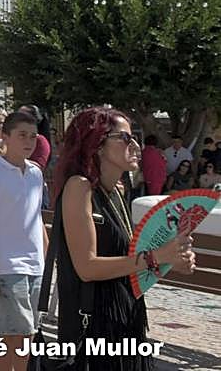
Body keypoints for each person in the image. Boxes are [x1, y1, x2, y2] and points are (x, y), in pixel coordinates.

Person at [54, 108, 195, 370]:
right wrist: (156, 256)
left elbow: (129, 263)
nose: (136, 145)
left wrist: (170, 260)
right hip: (94, 327)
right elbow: (86, 267)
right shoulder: (79, 187)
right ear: (96, 143)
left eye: (134, 137)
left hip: (126, 317)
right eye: (124, 138)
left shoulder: (117, 191)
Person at [0, 110, 46, 371]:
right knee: (20, 334)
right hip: (8, 265)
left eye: (33, 136)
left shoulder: (36, 173)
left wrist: (48, 262)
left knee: (22, 333)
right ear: (5, 136)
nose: (28, 141)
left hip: (35, 265)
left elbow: (36, 218)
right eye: (22, 135)